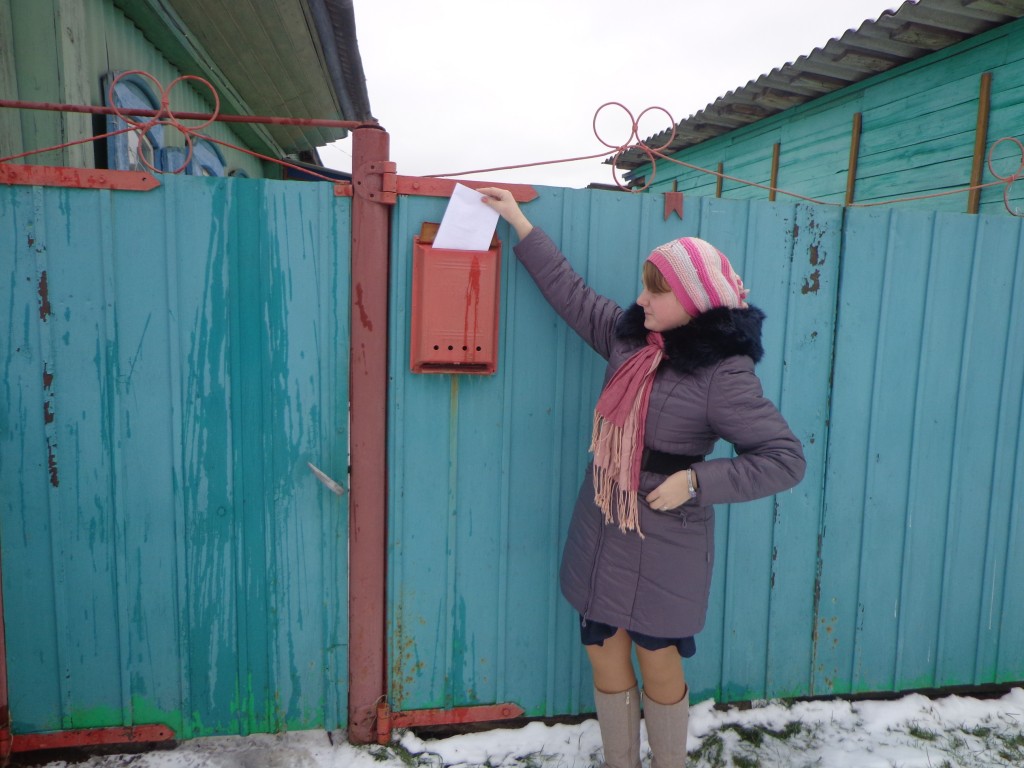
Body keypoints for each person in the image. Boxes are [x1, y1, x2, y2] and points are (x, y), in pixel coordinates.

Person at [479, 188, 807, 768]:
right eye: (644, 286)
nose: (640, 299)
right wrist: (517, 221)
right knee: (602, 644)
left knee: (658, 656)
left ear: (693, 301)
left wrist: (697, 482)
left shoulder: (723, 374)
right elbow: (570, 293)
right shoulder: (630, 340)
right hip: (603, 520)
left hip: (665, 532)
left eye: (656, 291)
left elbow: (784, 458)